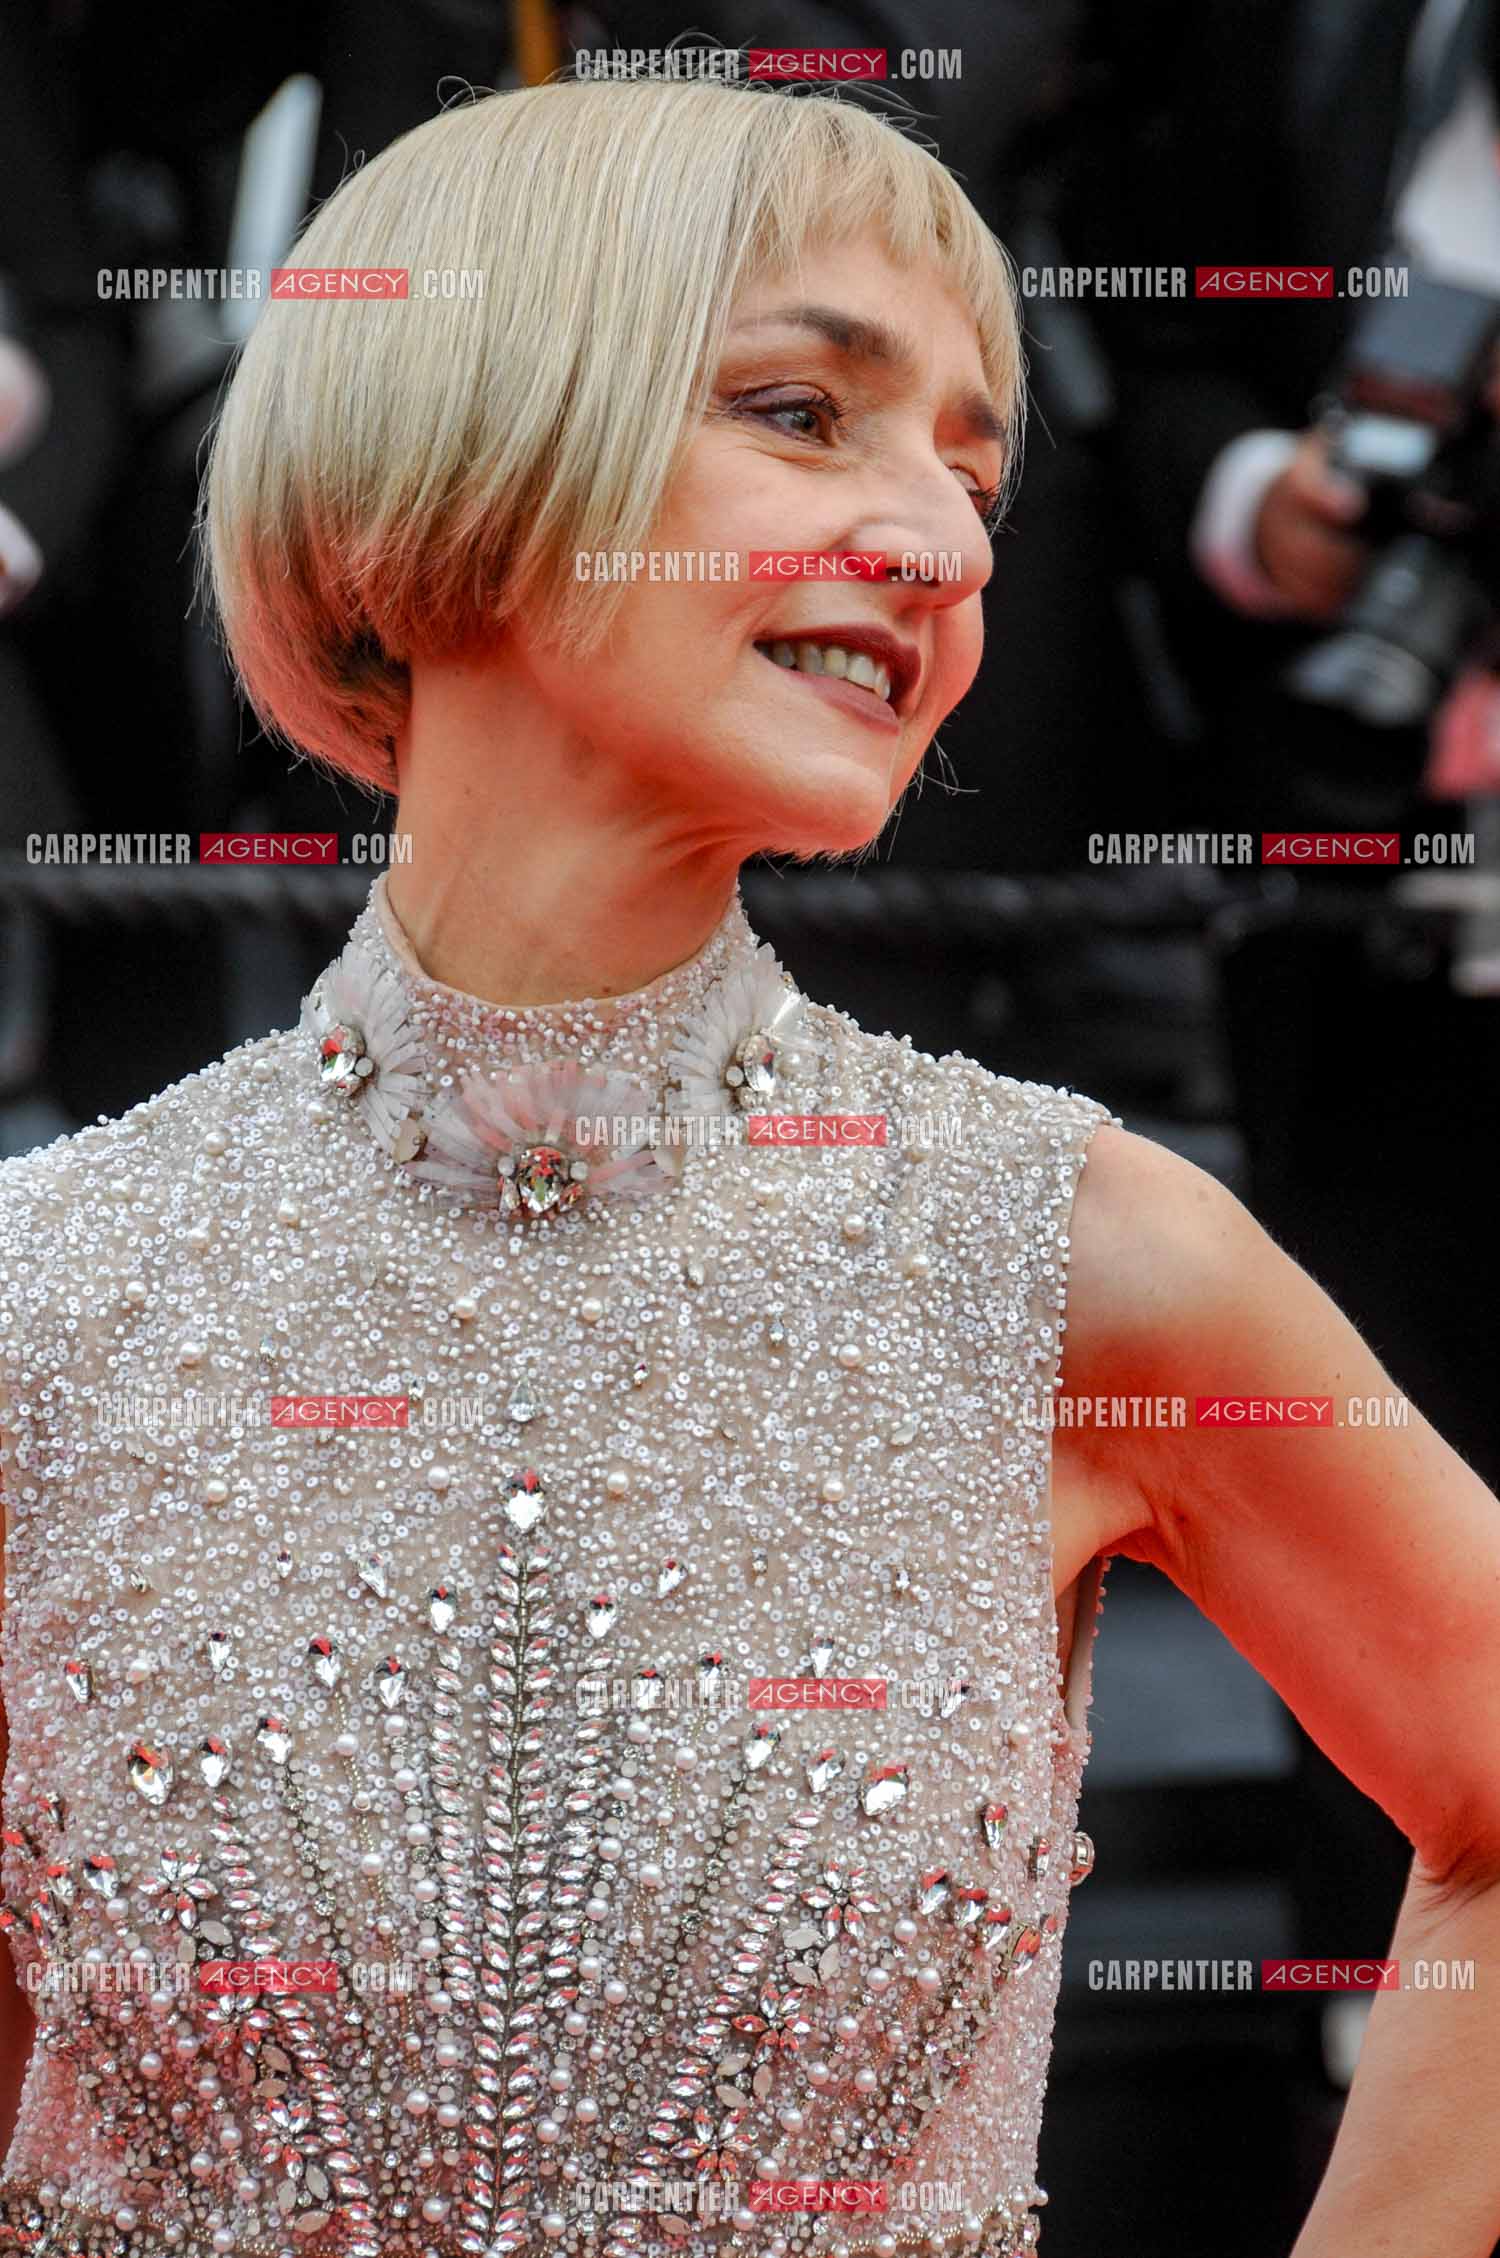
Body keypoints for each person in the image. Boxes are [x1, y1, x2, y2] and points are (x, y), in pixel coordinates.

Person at [1, 77, 1499, 2258]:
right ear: (446, 452)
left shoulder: (1073, 1258)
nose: (941, 538)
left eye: (973, 471)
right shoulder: (55, 1298)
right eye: (805, 411)